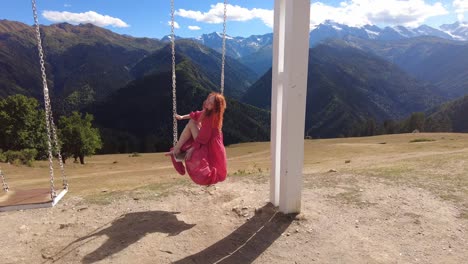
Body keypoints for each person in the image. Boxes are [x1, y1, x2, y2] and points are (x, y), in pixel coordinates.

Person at [166, 92, 227, 185]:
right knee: (192, 122)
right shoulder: (207, 111)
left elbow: (204, 136)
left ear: (215, 107)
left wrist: (193, 148)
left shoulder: (212, 117)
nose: (207, 103)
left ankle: (176, 150)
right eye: (207, 100)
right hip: (208, 140)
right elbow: (195, 114)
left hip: (208, 142)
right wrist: (182, 117)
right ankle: (176, 150)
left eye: (210, 103)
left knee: (191, 123)